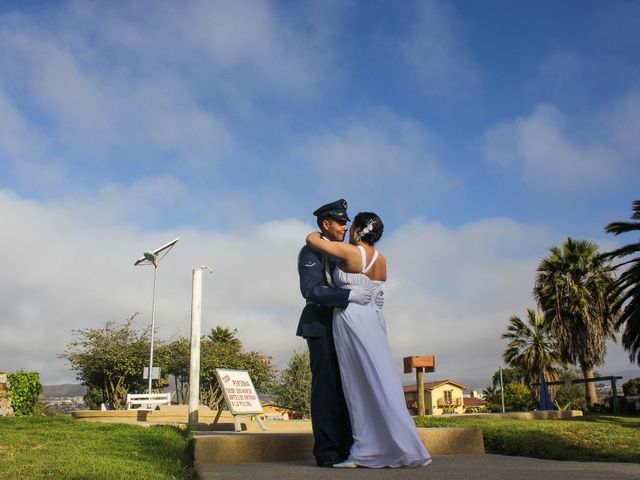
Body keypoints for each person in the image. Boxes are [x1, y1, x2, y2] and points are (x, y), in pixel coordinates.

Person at [306, 211, 432, 469]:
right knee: (381, 377)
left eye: (349, 226)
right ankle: (392, 442)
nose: (346, 228)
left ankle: (367, 447)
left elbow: (311, 240)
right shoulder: (382, 259)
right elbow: (375, 288)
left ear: (358, 231)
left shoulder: (351, 252)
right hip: (375, 318)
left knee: (357, 383)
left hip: (352, 318)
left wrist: (318, 231)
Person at [296, 199, 379, 468]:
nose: (345, 226)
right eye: (340, 222)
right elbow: (311, 290)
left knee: (349, 387)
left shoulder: (344, 250)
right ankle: (328, 453)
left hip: (348, 326)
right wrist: (347, 295)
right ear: (325, 224)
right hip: (321, 326)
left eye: (347, 222)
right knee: (327, 388)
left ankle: (348, 450)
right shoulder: (310, 252)